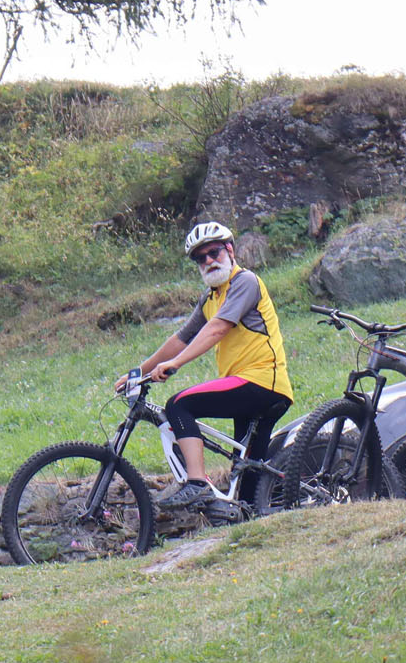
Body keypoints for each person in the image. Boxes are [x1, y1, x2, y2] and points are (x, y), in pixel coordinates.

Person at [123, 221, 292, 522]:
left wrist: (177, 364)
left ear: (230, 250)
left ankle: (197, 483)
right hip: (250, 388)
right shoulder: (210, 298)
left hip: (261, 381)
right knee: (248, 483)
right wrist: (138, 371)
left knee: (179, 405)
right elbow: (180, 339)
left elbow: (217, 329)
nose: (209, 261)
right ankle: (259, 520)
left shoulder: (245, 282)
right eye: (201, 258)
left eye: (214, 253)